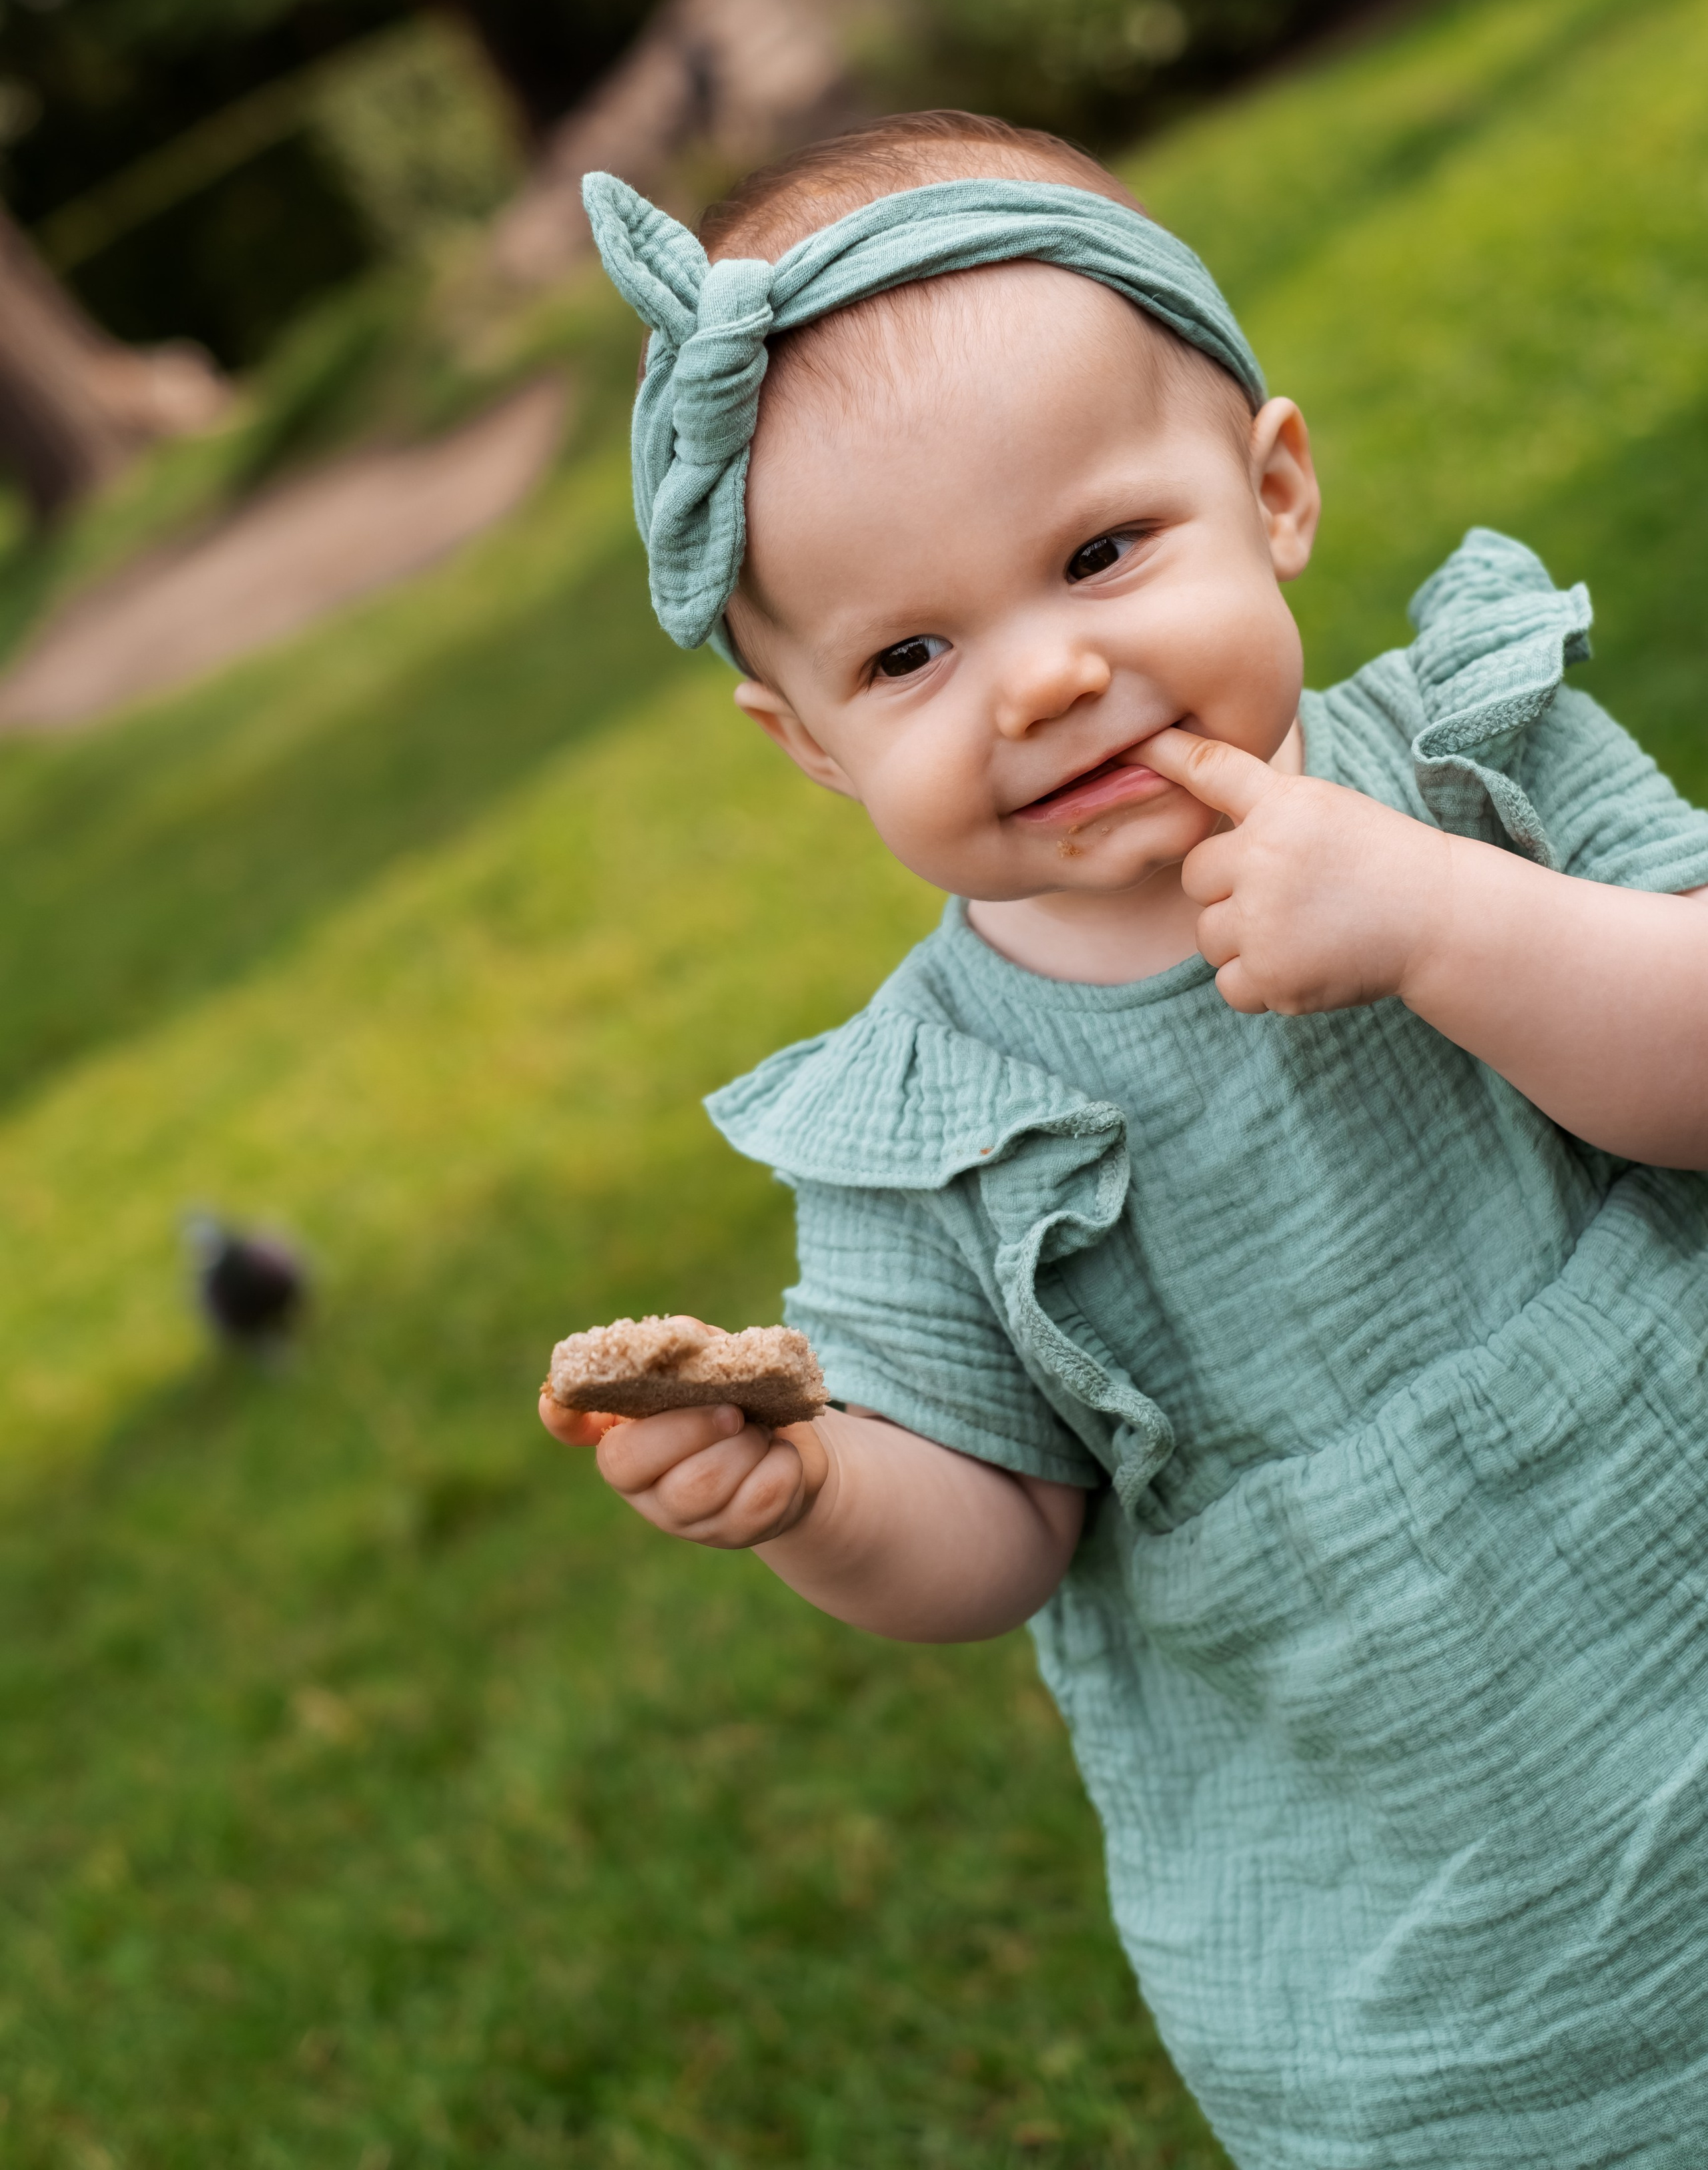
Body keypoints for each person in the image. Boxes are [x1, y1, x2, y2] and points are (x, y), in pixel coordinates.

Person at [539, 110, 1708, 2168]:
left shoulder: (1474, 771)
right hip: (1436, 1969)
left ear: (1273, 489)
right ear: (811, 745)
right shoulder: (928, 1121)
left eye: (1098, 556)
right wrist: (818, 1488)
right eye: (909, 655)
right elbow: (996, 1530)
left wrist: (1444, 922)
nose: (1045, 677)